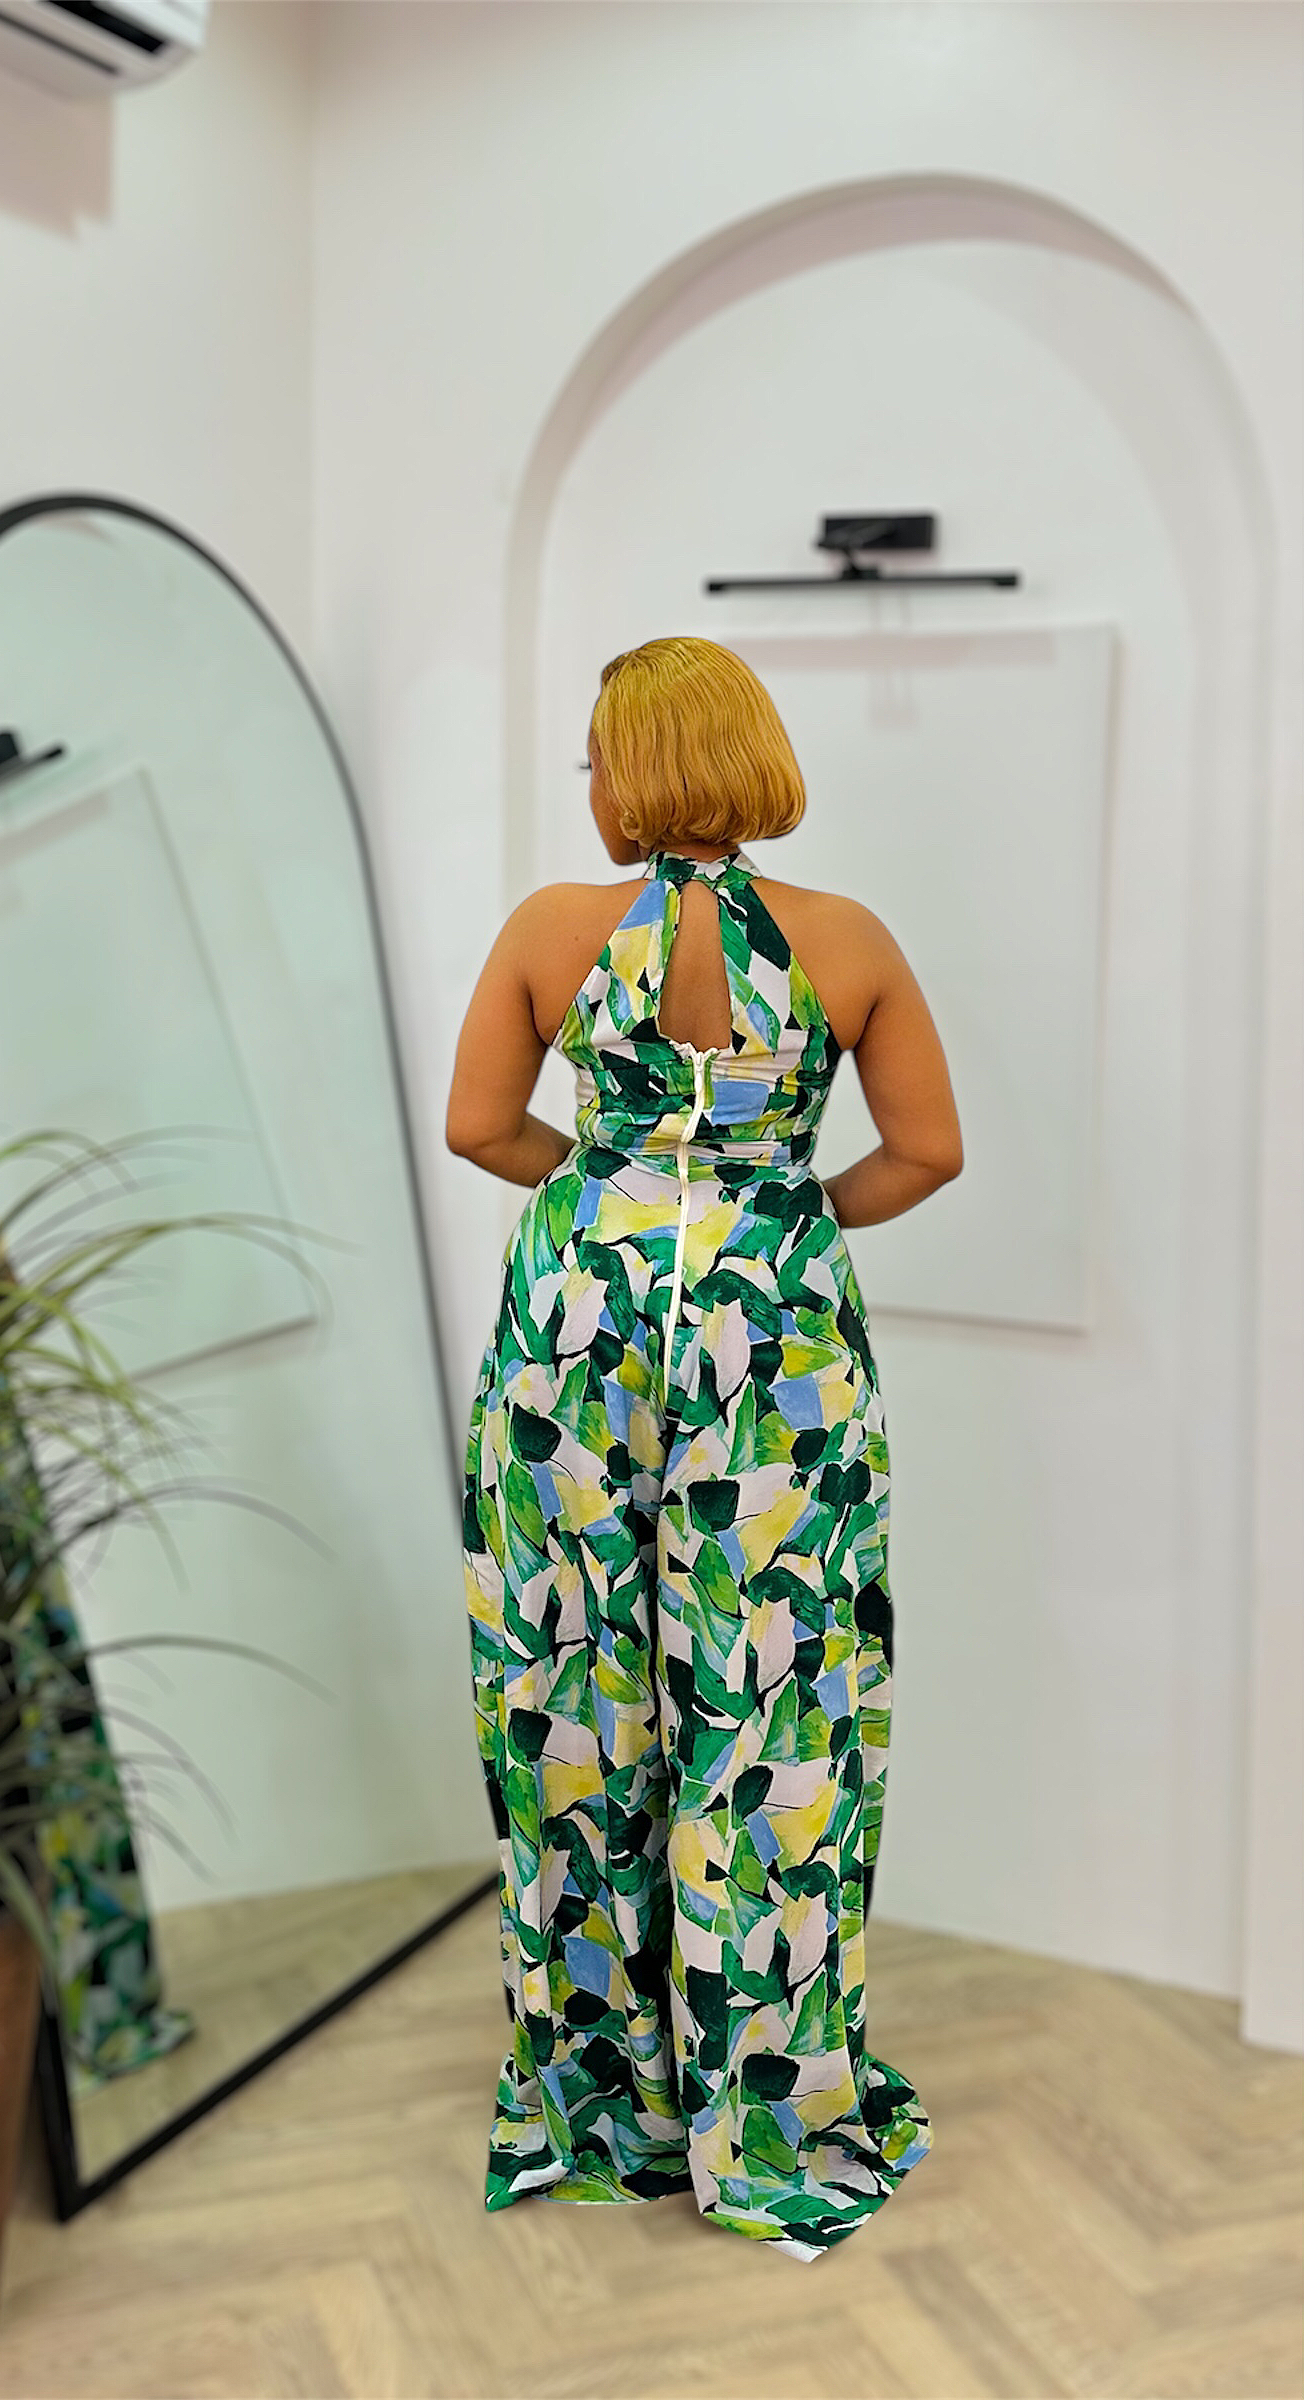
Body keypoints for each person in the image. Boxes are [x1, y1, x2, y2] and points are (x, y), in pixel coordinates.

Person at [446, 635, 962, 2261]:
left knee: (570, 1696)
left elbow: (479, 1125)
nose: (590, 785)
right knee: (778, 1704)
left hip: (576, 1338)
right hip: (777, 1347)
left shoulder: (550, 930)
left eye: (597, 756)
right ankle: (773, 2112)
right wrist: (777, 1216)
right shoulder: (848, 941)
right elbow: (927, 1152)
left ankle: (604, 2105)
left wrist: (610, 1191)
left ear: (631, 769)